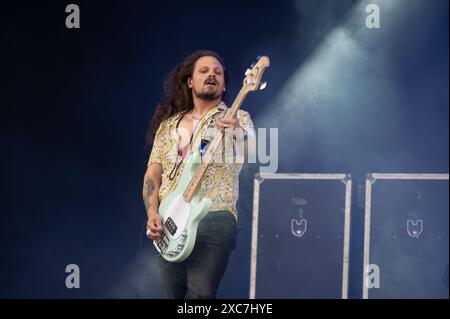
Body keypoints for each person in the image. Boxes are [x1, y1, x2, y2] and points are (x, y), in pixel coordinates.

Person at [142, 50, 255, 299]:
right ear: (190, 81)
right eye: (204, 71)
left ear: (225, 85)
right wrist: (152, 212)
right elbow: (153, 172)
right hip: (169, 220)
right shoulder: (168, 125)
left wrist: (236, 131)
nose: (211, 75)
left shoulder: (238, 118)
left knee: (201, 293)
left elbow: (251, 149)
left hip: (214, 214)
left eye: (218, 72)